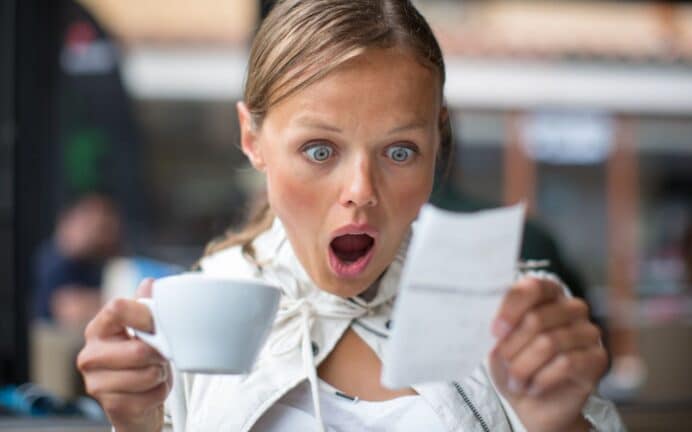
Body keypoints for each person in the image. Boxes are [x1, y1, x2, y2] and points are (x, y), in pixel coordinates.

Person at [76, 1, 625, 431]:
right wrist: (138, 426)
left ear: (437, 144)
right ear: (252, 139)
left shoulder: (512, 316)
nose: (361, 192)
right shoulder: (195, 315)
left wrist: (560, 425)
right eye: (319, 150)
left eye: (400, 151)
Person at [35, 193, 122, 327]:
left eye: (103, 227)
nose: (94, 232)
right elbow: (69, 309)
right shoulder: (52, 260)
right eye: (87, 222)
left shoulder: (96, 260)